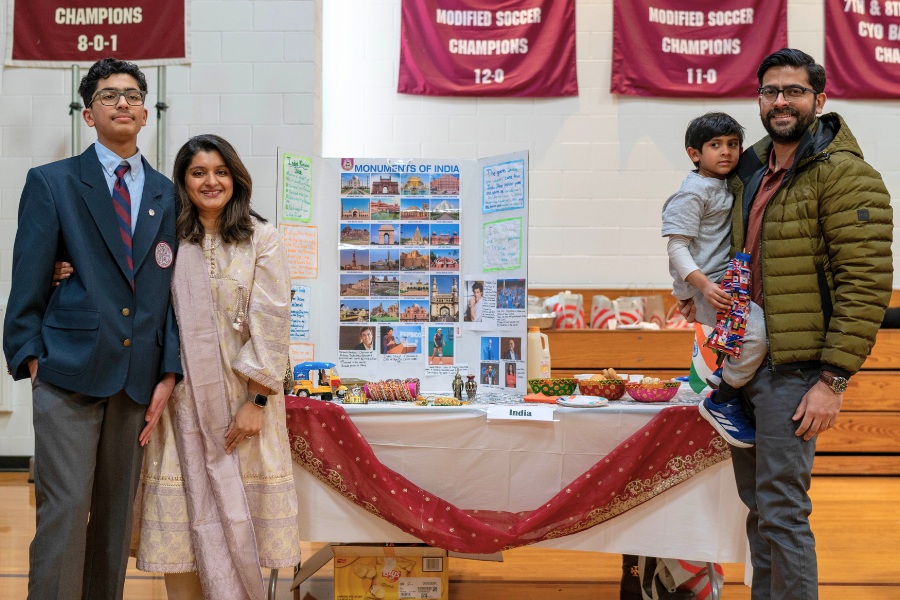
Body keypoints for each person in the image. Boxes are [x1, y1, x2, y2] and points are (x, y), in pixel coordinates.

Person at [679, 48, 892, 599]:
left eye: (794, 91)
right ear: (759, 99)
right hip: (740, 359)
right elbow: (716, 242)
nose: (781, 101)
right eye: (771, 91)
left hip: (795, 370)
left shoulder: (847, 176)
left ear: (819, 100)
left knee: (783, 513)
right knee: (757, 512)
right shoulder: (747, 167)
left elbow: (865, 286)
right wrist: (695, 293)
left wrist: (833, 381)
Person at [1, 57, 181, 600]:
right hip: (67, 373)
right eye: (109, 95)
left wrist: (168, 370)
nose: (122, 103)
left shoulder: (166, 194)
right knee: (64, 510)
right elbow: (27, 280)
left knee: (114, 523)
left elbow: (174, 295)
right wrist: (32, 357)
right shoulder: (52, 183)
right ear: (88, 113)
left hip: (136, 378)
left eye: (132, 95)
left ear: (146, 114)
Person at [128, 134, 301, 598]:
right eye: (198, 172)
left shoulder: (260, 237)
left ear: (235, 178)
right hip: (180, 403)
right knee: (185, 524)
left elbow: (272, 320)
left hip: (244, 402)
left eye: (220, 171)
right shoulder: (165, 239)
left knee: (242, 516)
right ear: (182, 181)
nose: (211, 181)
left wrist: (256, 400)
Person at [661, 112, 766, 448]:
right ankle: (723, 400)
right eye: (715, 145)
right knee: (758, 335)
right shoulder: (693, 192)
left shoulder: (725, 184)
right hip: (715, 288)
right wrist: (697, 289)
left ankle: (724, 373)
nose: (726, 152)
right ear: (695, 154)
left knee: (759, 331)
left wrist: (686, 293)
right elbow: (677, 247)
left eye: (733, 145)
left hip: (725, 282)